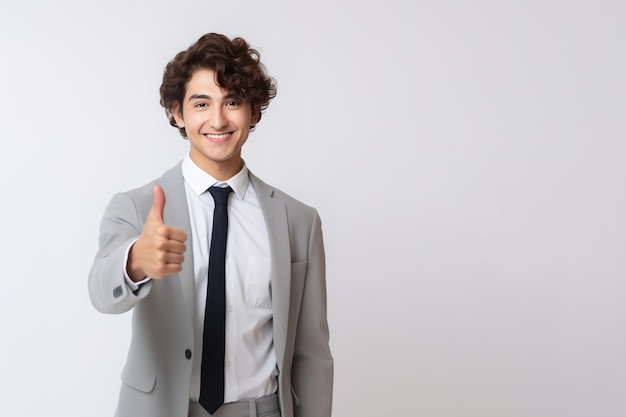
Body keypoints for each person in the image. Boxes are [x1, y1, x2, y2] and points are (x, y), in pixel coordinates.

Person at [88, 32, 333, 417]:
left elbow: (312, 353)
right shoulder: (136, 207)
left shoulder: (299, 221)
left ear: (253, 113)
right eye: (201, 103)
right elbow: (101, 293)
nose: (218, 119)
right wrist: (136, 261)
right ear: (177, 113)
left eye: (232, 102)